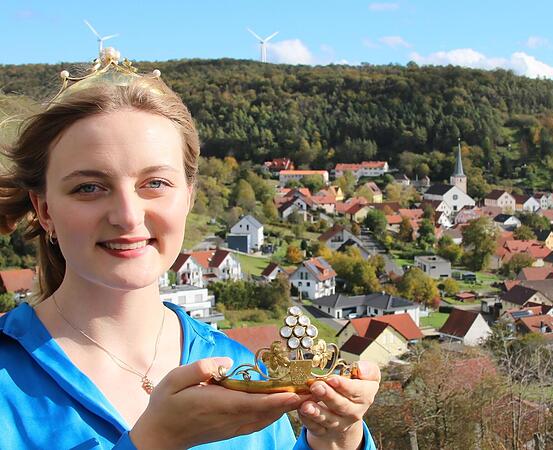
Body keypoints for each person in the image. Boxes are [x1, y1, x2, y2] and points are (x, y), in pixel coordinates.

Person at [0, 48, 379, 449]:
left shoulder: (240, 369)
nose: (128, 216)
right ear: (45, 210)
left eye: (155, 183)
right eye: (89, 187)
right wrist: (154, 441)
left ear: (188, 198)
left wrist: (336, 438)